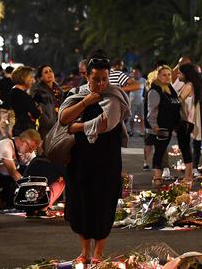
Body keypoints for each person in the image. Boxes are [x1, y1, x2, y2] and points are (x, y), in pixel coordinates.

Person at [59, 54, 130, 264]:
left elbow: (106, 123)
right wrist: (85, 103)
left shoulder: (114, 96)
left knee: (103, 202)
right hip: (79, 160)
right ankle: (84, 252)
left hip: (106, 159)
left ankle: (98, 253)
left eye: (104, 79)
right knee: (80, 201)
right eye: (96, 79)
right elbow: (63, 118)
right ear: (87, 77)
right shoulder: (76, 94)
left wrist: (76, 127)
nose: (100, 83)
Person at [0, 129, 42, 210]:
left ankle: (7, 198)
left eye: (33, 149)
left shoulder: (29, 151)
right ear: (23, 141)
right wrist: (27, 191)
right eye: (30, 148)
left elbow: (34, 169)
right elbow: (13, 172)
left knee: (26, 170)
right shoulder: (6, 145)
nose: (31, 151)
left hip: (4, 178)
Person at [145, 65, 181, 187]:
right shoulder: (155, 90)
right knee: (159, 152)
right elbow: (152, 111)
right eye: (164, 75)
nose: (167, 77)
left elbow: (176, 104)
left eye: (169, 74)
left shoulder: (170, 88)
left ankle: (158, 176)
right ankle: (157, 177)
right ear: (158, 76)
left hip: (170, 126)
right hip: (160, 127)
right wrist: (155, 127)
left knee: (162, 150)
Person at [176, 63, 202, 183]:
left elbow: (178, 100)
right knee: (185, 147)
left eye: (179, 73)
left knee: (185, 147)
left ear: (185, 74)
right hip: (188, 121)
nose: (178, 75)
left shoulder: (188, 86)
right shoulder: (190, 85)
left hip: (185, 121)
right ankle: (188, 175)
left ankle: (188, 176)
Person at [142, 60, 169, 171]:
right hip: (152, 112)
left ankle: (154, 163)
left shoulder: (164, 80)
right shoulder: (151, 79)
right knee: (150, 140)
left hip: (156, 114)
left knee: (157, 140)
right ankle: (148, 162)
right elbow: (146, 96)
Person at [32, 64, 64, 138]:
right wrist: (46, 120)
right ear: (41, 78)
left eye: (51, 71)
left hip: (60, 124)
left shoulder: (59, 90)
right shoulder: (38, 92)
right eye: (46, 72)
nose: (49, 73)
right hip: (46, 127)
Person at [10, 66, 41, 136]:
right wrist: (38, 110)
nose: (33, 81)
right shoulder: (23, 95)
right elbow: (36, 114)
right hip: (25, 130)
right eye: (31, 77)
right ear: (23, 78)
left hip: (18, 128)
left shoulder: (13, 91)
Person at [0, 66, 15, 139]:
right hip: (13, 106)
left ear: (5, 72)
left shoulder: (0, 82)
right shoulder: (14, 82)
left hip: (3, 106)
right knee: (12, 122)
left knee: (2, 121)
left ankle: (3, 134)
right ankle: (10, 133)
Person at [127, 67, 146, 137]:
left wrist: (145, 98)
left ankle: (142, 131)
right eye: (134, 73)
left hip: (141, 101)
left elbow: (146, 90)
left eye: (137, 73)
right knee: (131, 117)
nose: (135, 75)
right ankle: (131, 131)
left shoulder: (143, 80)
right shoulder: (130, 81)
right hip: (131, 101)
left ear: (140, 74)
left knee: (142, 117)